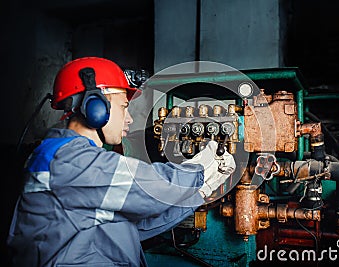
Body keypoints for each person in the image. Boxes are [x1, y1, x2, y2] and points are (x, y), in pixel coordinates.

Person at [7, 57, 236, 266]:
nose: (129, 119)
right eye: (123, 107)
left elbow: (130, 225)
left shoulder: (72, 159)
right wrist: (200, 169)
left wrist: (200, 193)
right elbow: (147, 189)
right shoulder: (66, 159)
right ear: (95, 107)